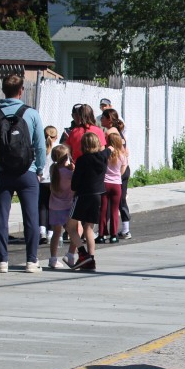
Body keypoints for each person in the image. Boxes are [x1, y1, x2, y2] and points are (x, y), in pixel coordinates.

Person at [0, 73, 46, 273]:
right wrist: (39, 168)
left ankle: (2, 261)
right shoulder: (31, 114)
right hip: (28, 172)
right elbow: (40, 145)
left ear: (3, 90)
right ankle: (31, 261)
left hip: (2, 172)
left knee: (0, 218)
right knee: (31, 217)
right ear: (21, 91)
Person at [67, 132, 111, 270]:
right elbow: (108, 151)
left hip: (83, 195)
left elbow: (74, 184)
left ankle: (82, 253)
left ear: (83, 145)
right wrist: (111, 147)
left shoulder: (82, 160)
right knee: (89, 228)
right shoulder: (103, 158)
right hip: (98, 195)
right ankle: (91, 259)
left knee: (70, 227)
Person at [101, 108, 131, 238]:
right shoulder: (119, 132)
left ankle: (103, 231)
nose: (101, 120)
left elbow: (103, 150)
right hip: (122, 167)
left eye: (103, 118)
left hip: (114, 170)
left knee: (106, 204)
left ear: (109, 119)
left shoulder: (109, 132)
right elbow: (126, 152)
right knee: (120, 200)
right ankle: (125, 229)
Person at [47, 144, 74, 269]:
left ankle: (53, 258)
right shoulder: (68, 173)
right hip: (67, 205)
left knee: (56, 233)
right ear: (66, 157)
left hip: (54, 206)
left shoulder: (53, 169)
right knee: (75, 231)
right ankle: (71, 254)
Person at [97, 132, 127, 243]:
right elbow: (122, 171)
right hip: (116, 184)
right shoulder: (122, 156)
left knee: (103, 209)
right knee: (114, 210)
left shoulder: (105, 155)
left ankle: (101, 234)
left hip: (105, 183)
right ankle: (113, 235)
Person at [40, 125, 58, 245]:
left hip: (42, 181)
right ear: (56, 136)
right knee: (52, 207)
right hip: (54, 181)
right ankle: (51, 233)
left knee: (42, 206)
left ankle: (41, 231)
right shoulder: (58, 148)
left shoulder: (40, 147)